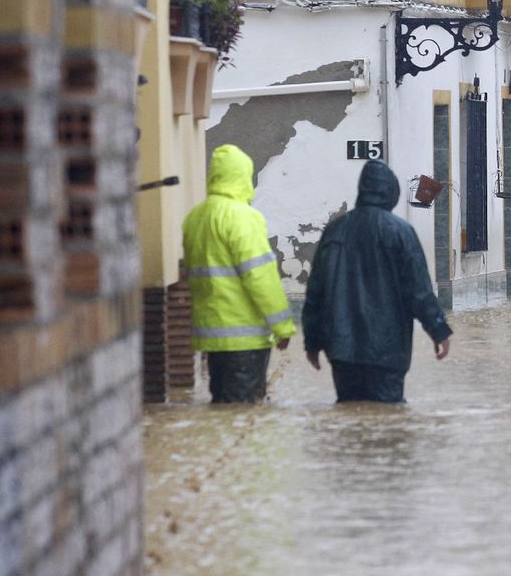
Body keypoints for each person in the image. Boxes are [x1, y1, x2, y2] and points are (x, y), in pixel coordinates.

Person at [302, 160, 452, 403]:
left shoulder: (336, 230)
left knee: (349, 420)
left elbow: (315, 291)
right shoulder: (401, 232)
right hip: (388, 351)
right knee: (388, 423)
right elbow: (419, 290)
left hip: (342, 350)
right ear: (392, 192)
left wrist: (312, 341)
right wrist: (439, 330)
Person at [182, 144, 297, 403]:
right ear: (243, 175)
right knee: (246, 417)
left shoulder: (195, 217)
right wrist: (282, 326)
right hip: (245, 340)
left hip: (211, 338)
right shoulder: (244, 218)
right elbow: (261, 277)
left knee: (223, 409)